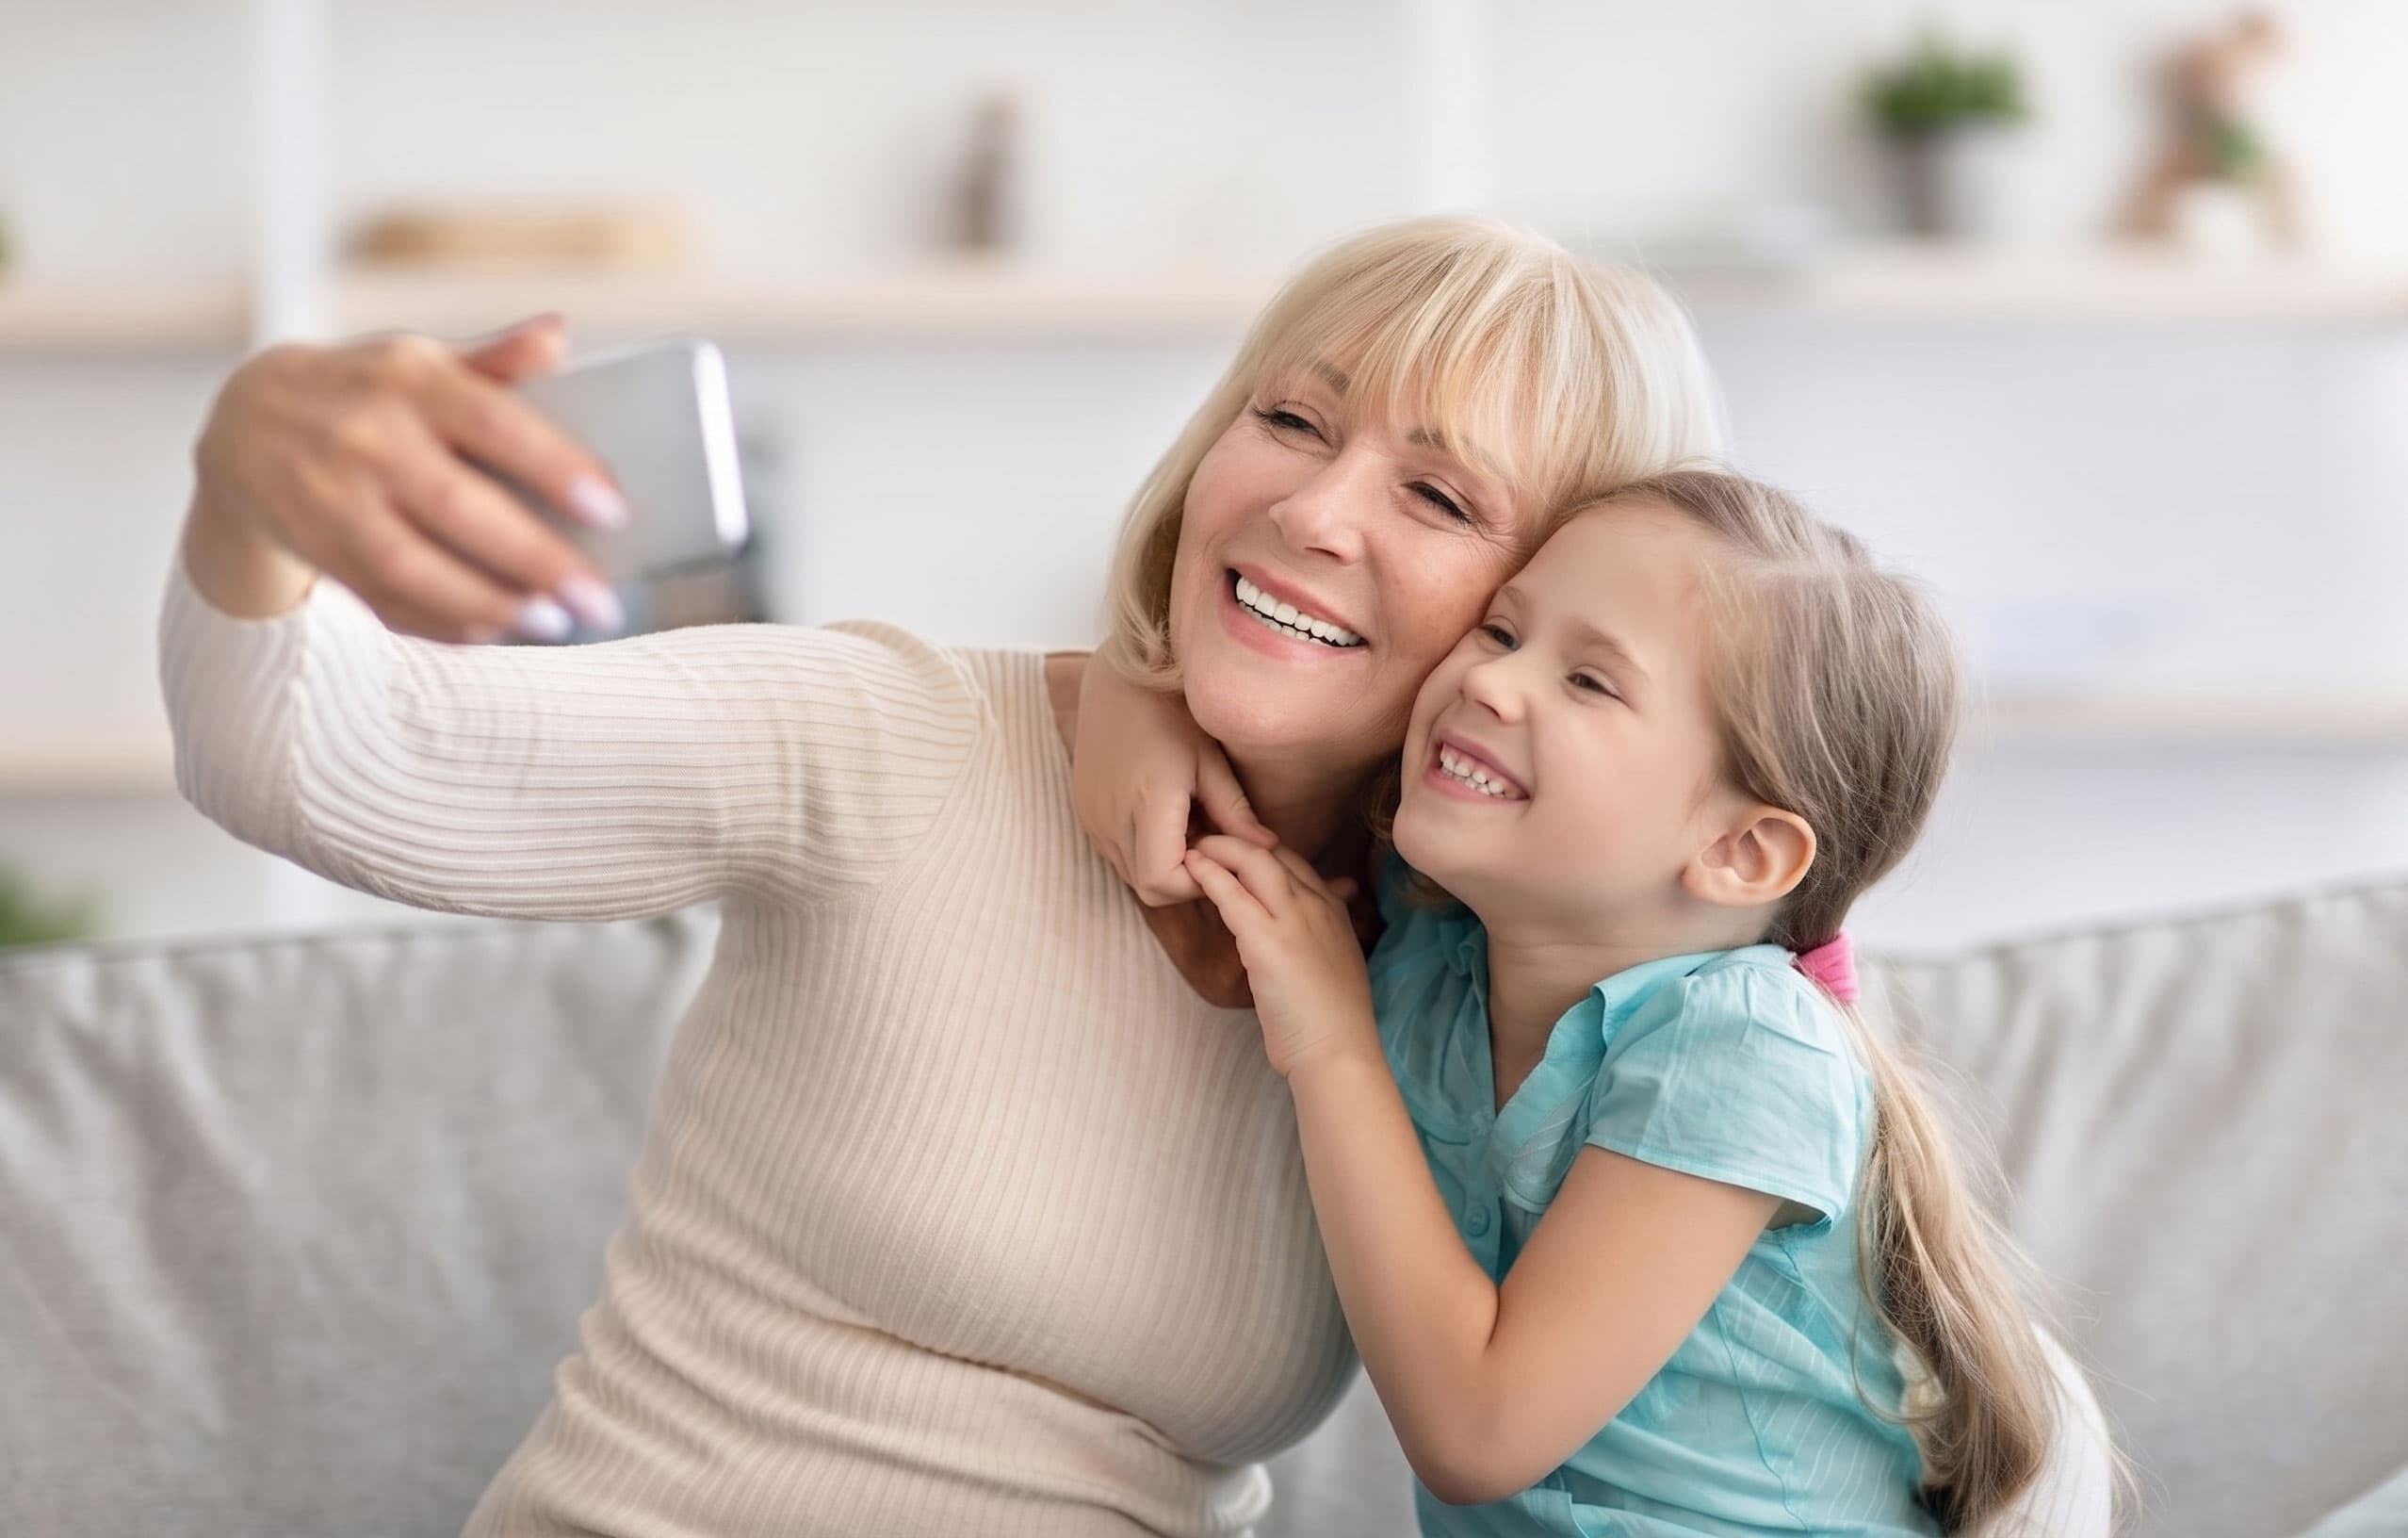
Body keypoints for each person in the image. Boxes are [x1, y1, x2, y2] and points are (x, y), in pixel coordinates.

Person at [158, 218, 1729, 1535]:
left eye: (1439, 496)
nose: (1310, 512)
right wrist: (248, 492)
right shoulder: (895, 737)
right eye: (1293, 421)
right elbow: (315, 757)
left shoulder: (1469, 998)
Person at [1082, 469, 2094, 1535]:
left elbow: (1477, 1433)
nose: (1490, 683)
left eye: (1590, 683)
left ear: (1742, 849)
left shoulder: (1745, 1044)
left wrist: (1332, 1046)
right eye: (1503, 630)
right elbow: (1239, 711)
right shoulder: (1431, 940)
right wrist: (1127, 694)